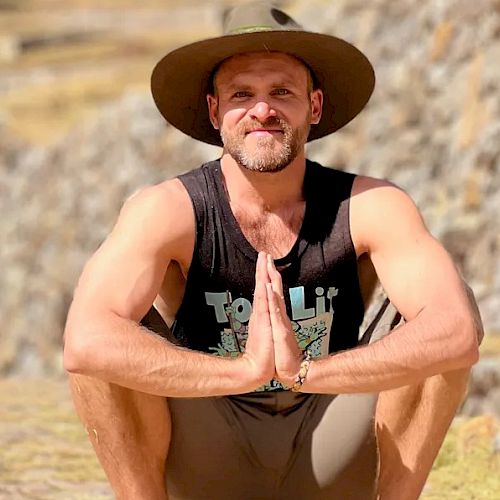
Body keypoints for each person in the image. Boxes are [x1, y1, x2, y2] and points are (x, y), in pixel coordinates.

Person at [63, 2, 483, 499]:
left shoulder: (371, 206)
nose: (263, 109)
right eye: (243, 94)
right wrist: (242, 371)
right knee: (105, 345)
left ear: (315, 107)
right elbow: (83, 341)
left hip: (329, 443)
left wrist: (306, 372)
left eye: (282, 92)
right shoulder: (167, 210)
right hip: (208, 452)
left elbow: (457, 333)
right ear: (216, 111)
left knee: (448, 309)